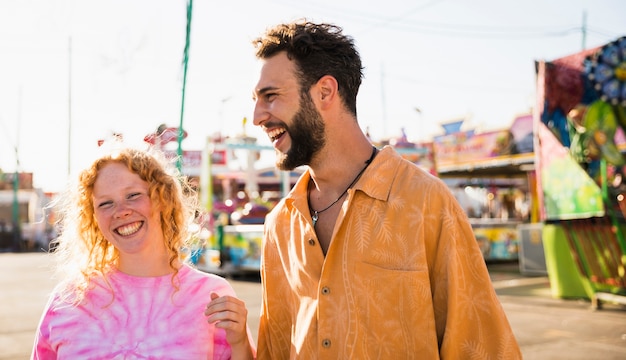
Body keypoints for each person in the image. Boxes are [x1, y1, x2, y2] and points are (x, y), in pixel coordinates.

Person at [251, 20, 522, 359]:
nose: (257, 116)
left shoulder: (424, 202)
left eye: (271, 96)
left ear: (325, 92)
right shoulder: (280, 224)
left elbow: (480, 345)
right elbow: (275, 349)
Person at [32, 145, 256, 359]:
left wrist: (240, 343)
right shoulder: (68, 299)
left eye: (133, 195)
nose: (121, 211)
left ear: (162, 199)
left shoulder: (210, 295)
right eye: (105, 203)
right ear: (93, 218)